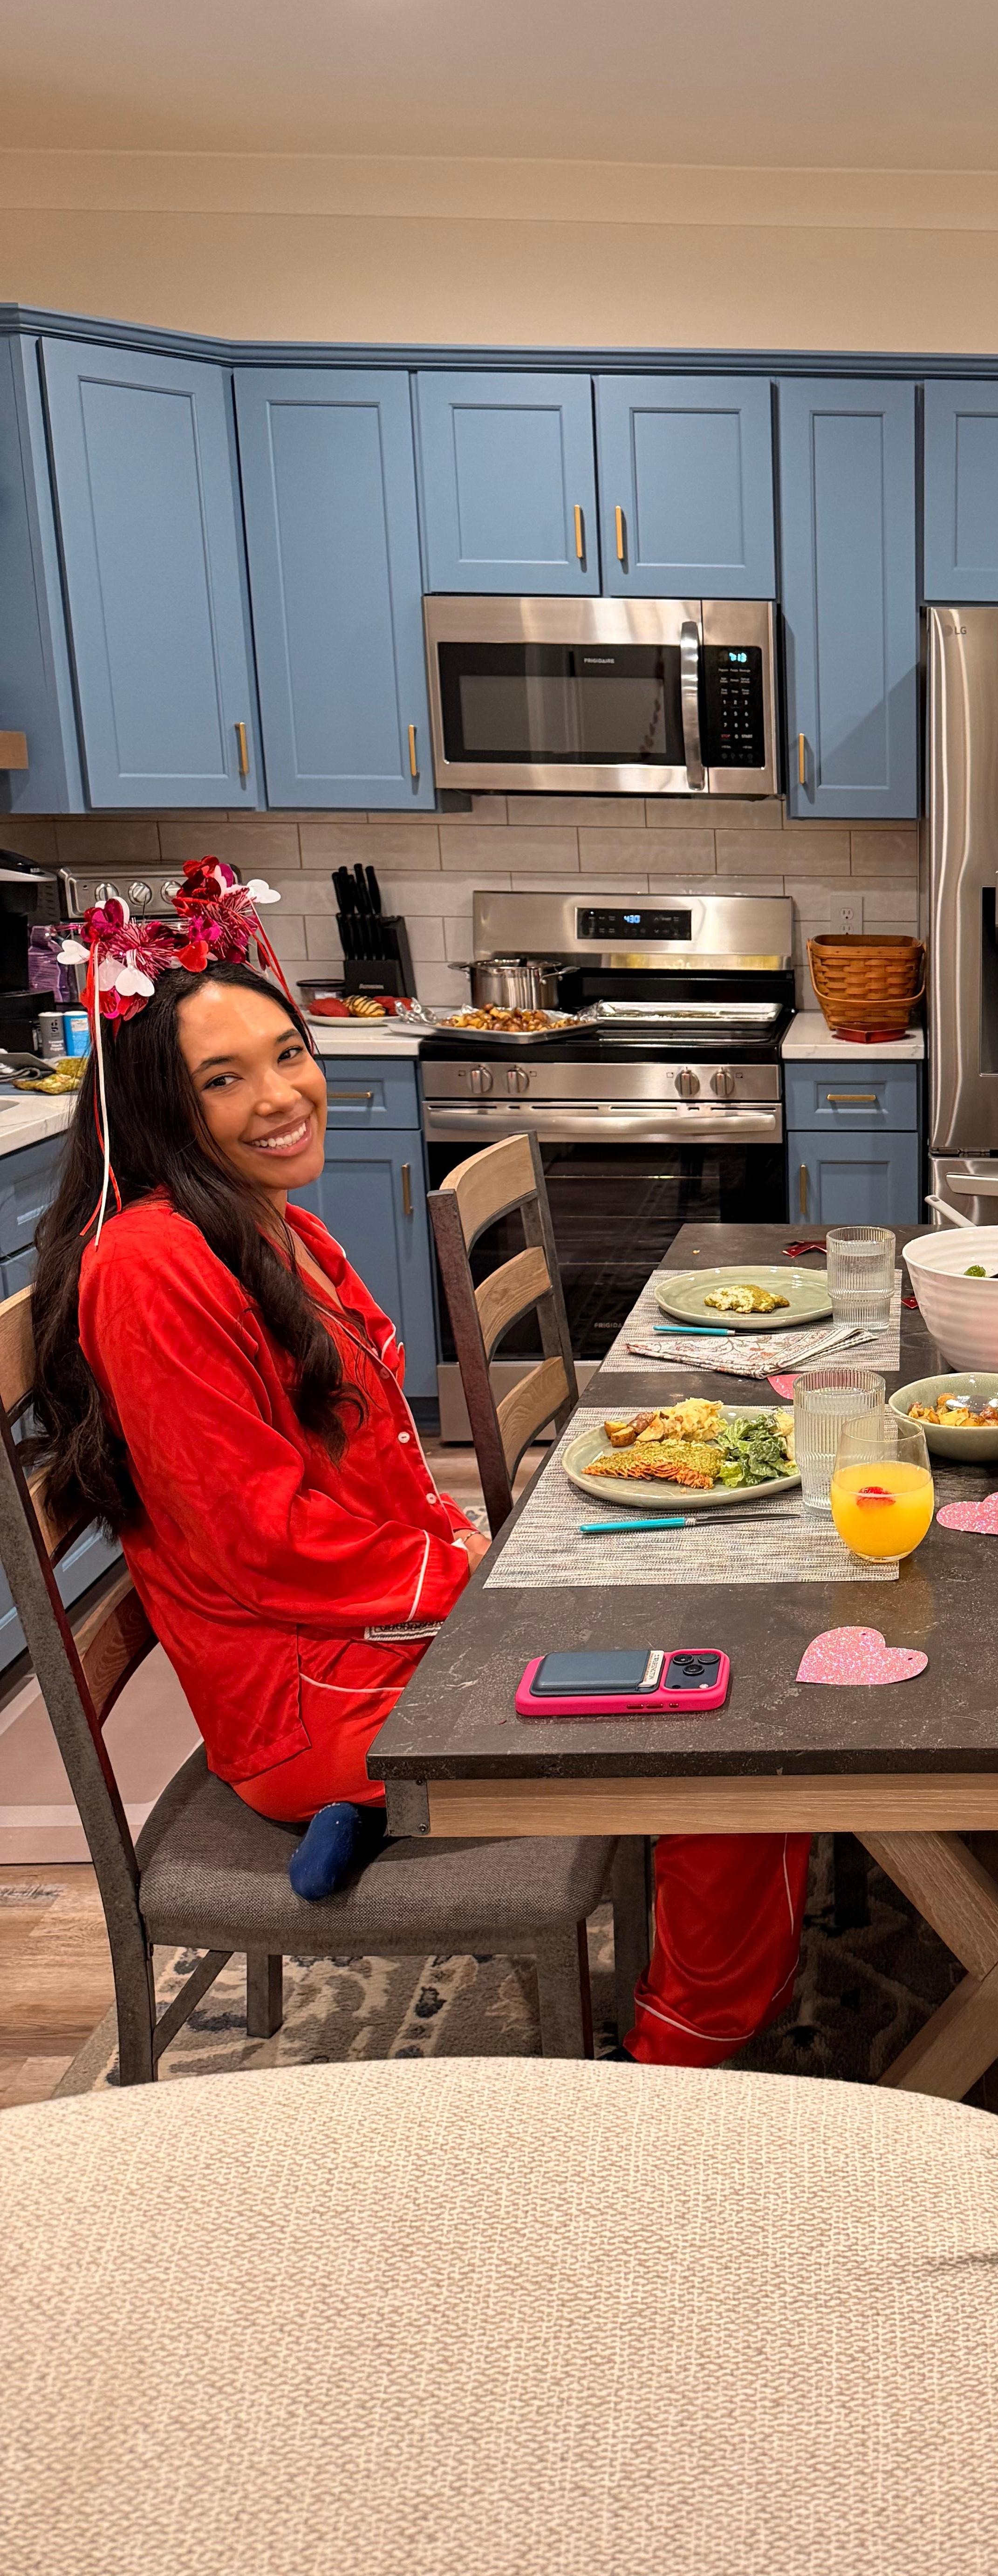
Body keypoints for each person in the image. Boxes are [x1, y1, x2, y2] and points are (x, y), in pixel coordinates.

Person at [31, 876, 806, 2062]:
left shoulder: (263, 1223)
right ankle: (681, 2061)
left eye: (288, 1054)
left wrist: (477, 1561)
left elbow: (360, 1473)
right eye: (222, 1080)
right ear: (152, 1109)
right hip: (323, 1699)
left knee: (708, 1594)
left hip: (374, 1638)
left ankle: (718, 1969)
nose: (283, 1095)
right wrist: (481, 1593)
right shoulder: (152, 1267)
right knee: (732, 1725)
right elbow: (264, 1542)